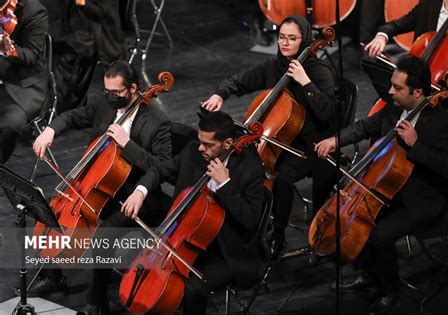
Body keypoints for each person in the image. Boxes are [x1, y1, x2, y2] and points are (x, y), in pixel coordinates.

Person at [314, 55, 448, 314]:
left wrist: (417, 144)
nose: (390, 91)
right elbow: (364, 126)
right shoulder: (395, 108)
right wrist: (335, 141)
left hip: (424, 200)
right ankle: (369, 274)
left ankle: (391, 292)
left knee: (379, 234)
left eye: (397, 88)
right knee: (359, 218)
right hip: (391, 189)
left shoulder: (440, 123)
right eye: (392, 85)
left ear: (418, 92)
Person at [31, 60, 172, 313]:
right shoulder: (104, 104)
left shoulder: (157, 121)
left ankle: (96, 304)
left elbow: (161, 166)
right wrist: (50, 130)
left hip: (136, 195)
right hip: (99, 185)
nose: (109, 97)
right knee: (54, 208)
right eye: (106, 91)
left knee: (104, 234)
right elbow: (72, 116)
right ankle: (54, 276)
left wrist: (127, 145)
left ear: (132, 88)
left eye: (115, 92)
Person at [201, 15, 337, 259]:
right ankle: (241, 228)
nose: (285, 43)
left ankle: (278, 234)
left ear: (304, 40)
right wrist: (220, 94)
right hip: (279, 140)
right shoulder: (275, 66)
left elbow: (328, 111)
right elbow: (238, 80)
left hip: (312, 145)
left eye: (292, 39)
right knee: (244, 165)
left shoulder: (318, 70)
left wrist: (305, 81)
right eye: (282, 37)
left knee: (283, 177)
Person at [122, 110, 266, 314]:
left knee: (192, 289)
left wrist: (225, 184)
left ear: (227, 143)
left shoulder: (250, 169)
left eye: (208, 145)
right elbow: (159, 170)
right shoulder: (192, 152)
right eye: (200, 141)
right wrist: (140, 191)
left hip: (227, 251)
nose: (200, 148)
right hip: (186, 238)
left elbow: (250, 220)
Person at [364, 0, 448, 125]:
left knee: (442, 124)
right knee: (386, 110)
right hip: (421, 84)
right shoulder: (430, 4)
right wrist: (382, 36)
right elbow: (396, 25)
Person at [48, 0, 127, 113]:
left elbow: (103, 12)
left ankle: (66, 111)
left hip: (93, 35)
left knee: (66, 57)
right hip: (73, 28)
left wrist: (84, 3)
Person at [0, 0, 48, 163]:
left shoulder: (35, 11)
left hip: (23, 86)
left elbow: (32, 55)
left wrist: (8, 49)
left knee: (9, 125)